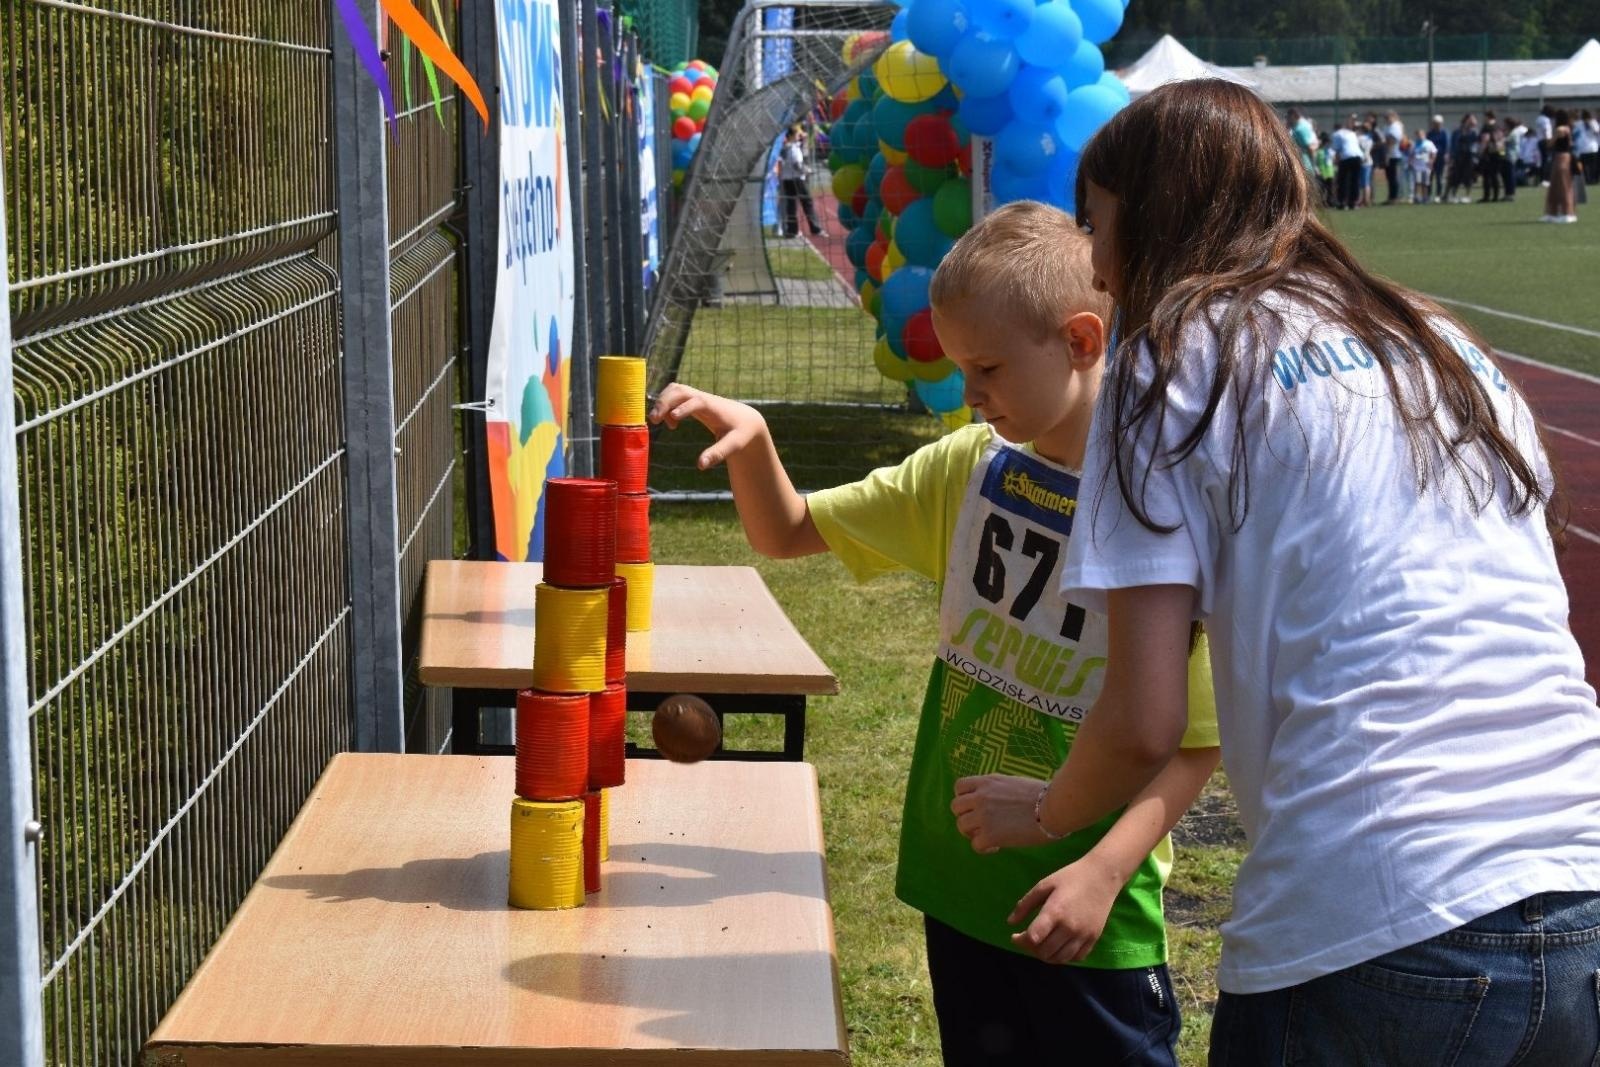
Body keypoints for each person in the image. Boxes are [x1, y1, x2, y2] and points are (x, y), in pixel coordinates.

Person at [953, 77, 1600, 1066]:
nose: (1094, 258)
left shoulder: (1164, 365)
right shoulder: (1442, 343)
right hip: (1579, 887)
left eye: (1098, 223)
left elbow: (1142, 719)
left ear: (1153, 218)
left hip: (1378, 919)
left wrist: (1042, 811)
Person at [651, 201, 1222, 1066]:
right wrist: (756, 441)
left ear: (1080, 340)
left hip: (1083, 904)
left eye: (986, 367)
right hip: (958, 881)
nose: (970, 394)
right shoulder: (967, 468)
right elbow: (789, 529)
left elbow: (1191, 743)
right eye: (959, 368)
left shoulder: (1159, 505)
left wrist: (1103, 870)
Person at [774, 126, 824, 238]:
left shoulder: (785, 148)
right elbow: (797, 165)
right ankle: (816, 229)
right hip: (796, 180)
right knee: (807, 203)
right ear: (791, 135)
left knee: (791, 206)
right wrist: (807, 171)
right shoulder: (792, 148)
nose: (799, 136)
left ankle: (792, 231)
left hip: (786, 180)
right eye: (797, 134)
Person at [1543, 111, 1578, 223]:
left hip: (1562, 158)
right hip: (1562, 157)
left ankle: (1567, 213)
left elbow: (1550, 144)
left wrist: (1548, 137)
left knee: (1563, 185)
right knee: (1556, 185)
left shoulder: (1560, 129)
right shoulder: (1568, 128)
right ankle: (1553, 213)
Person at [1329, 116, 1363, 210]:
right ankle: (1354, 202)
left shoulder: (1336, 134)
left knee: (1343, 180)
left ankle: (1342, 202)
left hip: (1346, 157)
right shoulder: (1352, 133)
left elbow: (1336, 149)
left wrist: (1335, 161)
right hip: (1358, 156)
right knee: (1355, 181)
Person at [1445, 112, 1479, 203]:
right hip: (1458, 156)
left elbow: (1477, 143)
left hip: (1469, 156)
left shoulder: (1474, 132)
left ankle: (1467, 196)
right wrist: (1451, 156)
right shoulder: (1457, 131)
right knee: (1455, 176)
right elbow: (1453, 145)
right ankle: (1453, 195)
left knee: (1468, 177)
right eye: (1470, 119)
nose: (1471, 121)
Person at [1426, 114, 1450, 202]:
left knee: (1439, 177)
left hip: (1440, 158)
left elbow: (1446, 146)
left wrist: (1446, 155)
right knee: (1429, 177)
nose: (1436, 125)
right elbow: (1427, 145)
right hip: (1431, 158)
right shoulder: (1430, 133)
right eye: (1435, 123)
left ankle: (1438, 195)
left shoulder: (1444, 133)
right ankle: (1428, 195)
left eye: (1438, 123)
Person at [1408, 128, 1436, 203]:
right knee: (1417, 182)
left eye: (1421, 134)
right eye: (1418, 135)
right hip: (1417, 165)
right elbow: (1411, 154)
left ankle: (1425, 197)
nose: (1420, 136)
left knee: (1425, 182)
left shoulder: (1429, 143)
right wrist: (1410, 163)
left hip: (1426, 165)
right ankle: (1417, 197)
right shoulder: (1414, 144)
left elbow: (1433, 152)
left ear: (1424, 135)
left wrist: (1431, 161)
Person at [1287, 107, 1317, 175]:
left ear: (1293, 116)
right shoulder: (1297, 127)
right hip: (1301, 164)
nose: (1287, 119)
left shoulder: (1300, 129)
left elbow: (1310, 148)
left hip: (1304, 165)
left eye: (1288, 117)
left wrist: (1314, 165)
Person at [1577, 109, 1599, 185]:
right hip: (1592, 147)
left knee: (1585, 166)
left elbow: (1576, 134)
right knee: (1593, 165)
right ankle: (1593, 180)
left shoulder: (1579, 123)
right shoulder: (1593, 122)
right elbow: (1597, 132)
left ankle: (1587, 180)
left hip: (1583, 148)